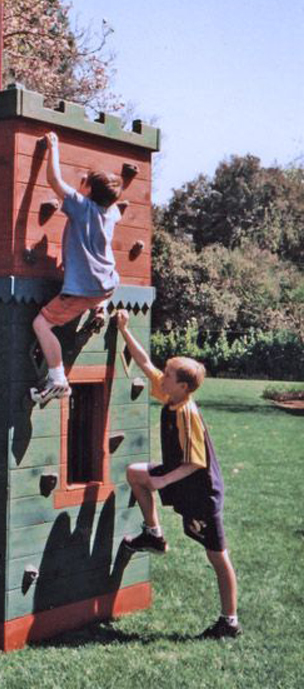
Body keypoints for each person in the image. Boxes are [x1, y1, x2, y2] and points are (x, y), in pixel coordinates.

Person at [115, 309, 241, 639]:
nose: (162, 377)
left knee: (217, 555)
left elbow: (196, 462)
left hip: (201, 491)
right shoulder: (172, 396)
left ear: (182, 386)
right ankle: (153, 534)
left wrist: (161, 481)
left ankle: (229, 621)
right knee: (134, 472)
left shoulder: (187, 412)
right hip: (178, 476)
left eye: (168, 375)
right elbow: (144, 363)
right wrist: (124, 331)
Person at [30, 131, 123, 405]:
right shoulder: (111, 212)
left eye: (84, 183)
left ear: (89, 191)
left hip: (83, 290)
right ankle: (100, 309)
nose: (80, 184)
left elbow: (54, 180)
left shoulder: (83, 207)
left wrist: (54, 147)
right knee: (96, 296)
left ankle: (58, 378)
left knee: (42, 324)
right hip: (107, 284)